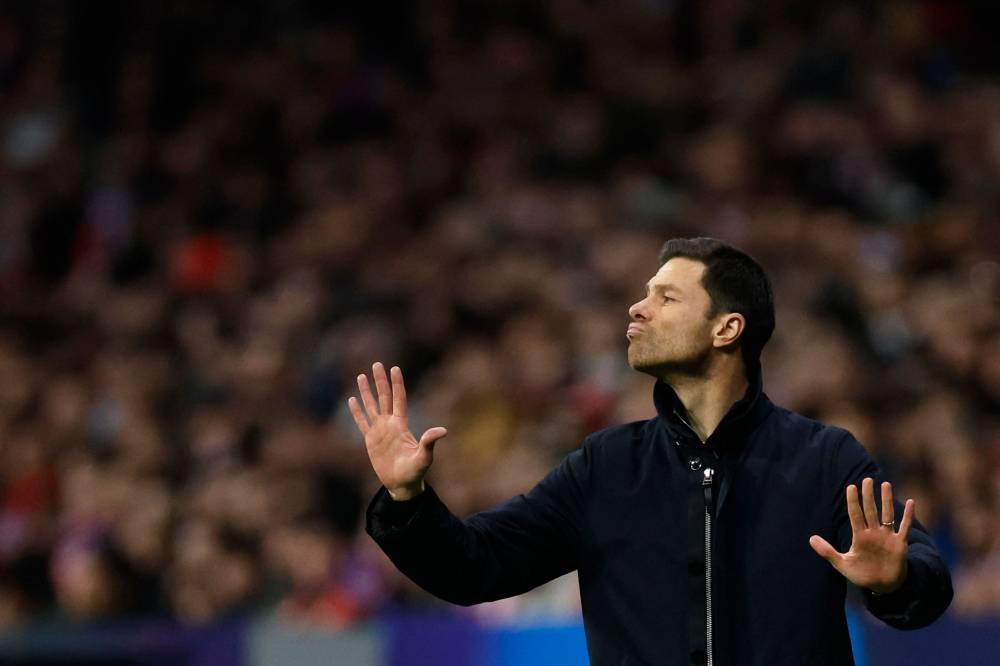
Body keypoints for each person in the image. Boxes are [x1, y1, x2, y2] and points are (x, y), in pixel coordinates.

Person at [349, 237, 952, 666]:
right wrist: (407, 497)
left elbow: (924, 582)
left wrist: (894, 581)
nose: (637, 308)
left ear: (727, 329)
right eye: (644, 294)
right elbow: (473, 566)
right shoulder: (603, 467)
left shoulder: (824, 459)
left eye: (665, 297)